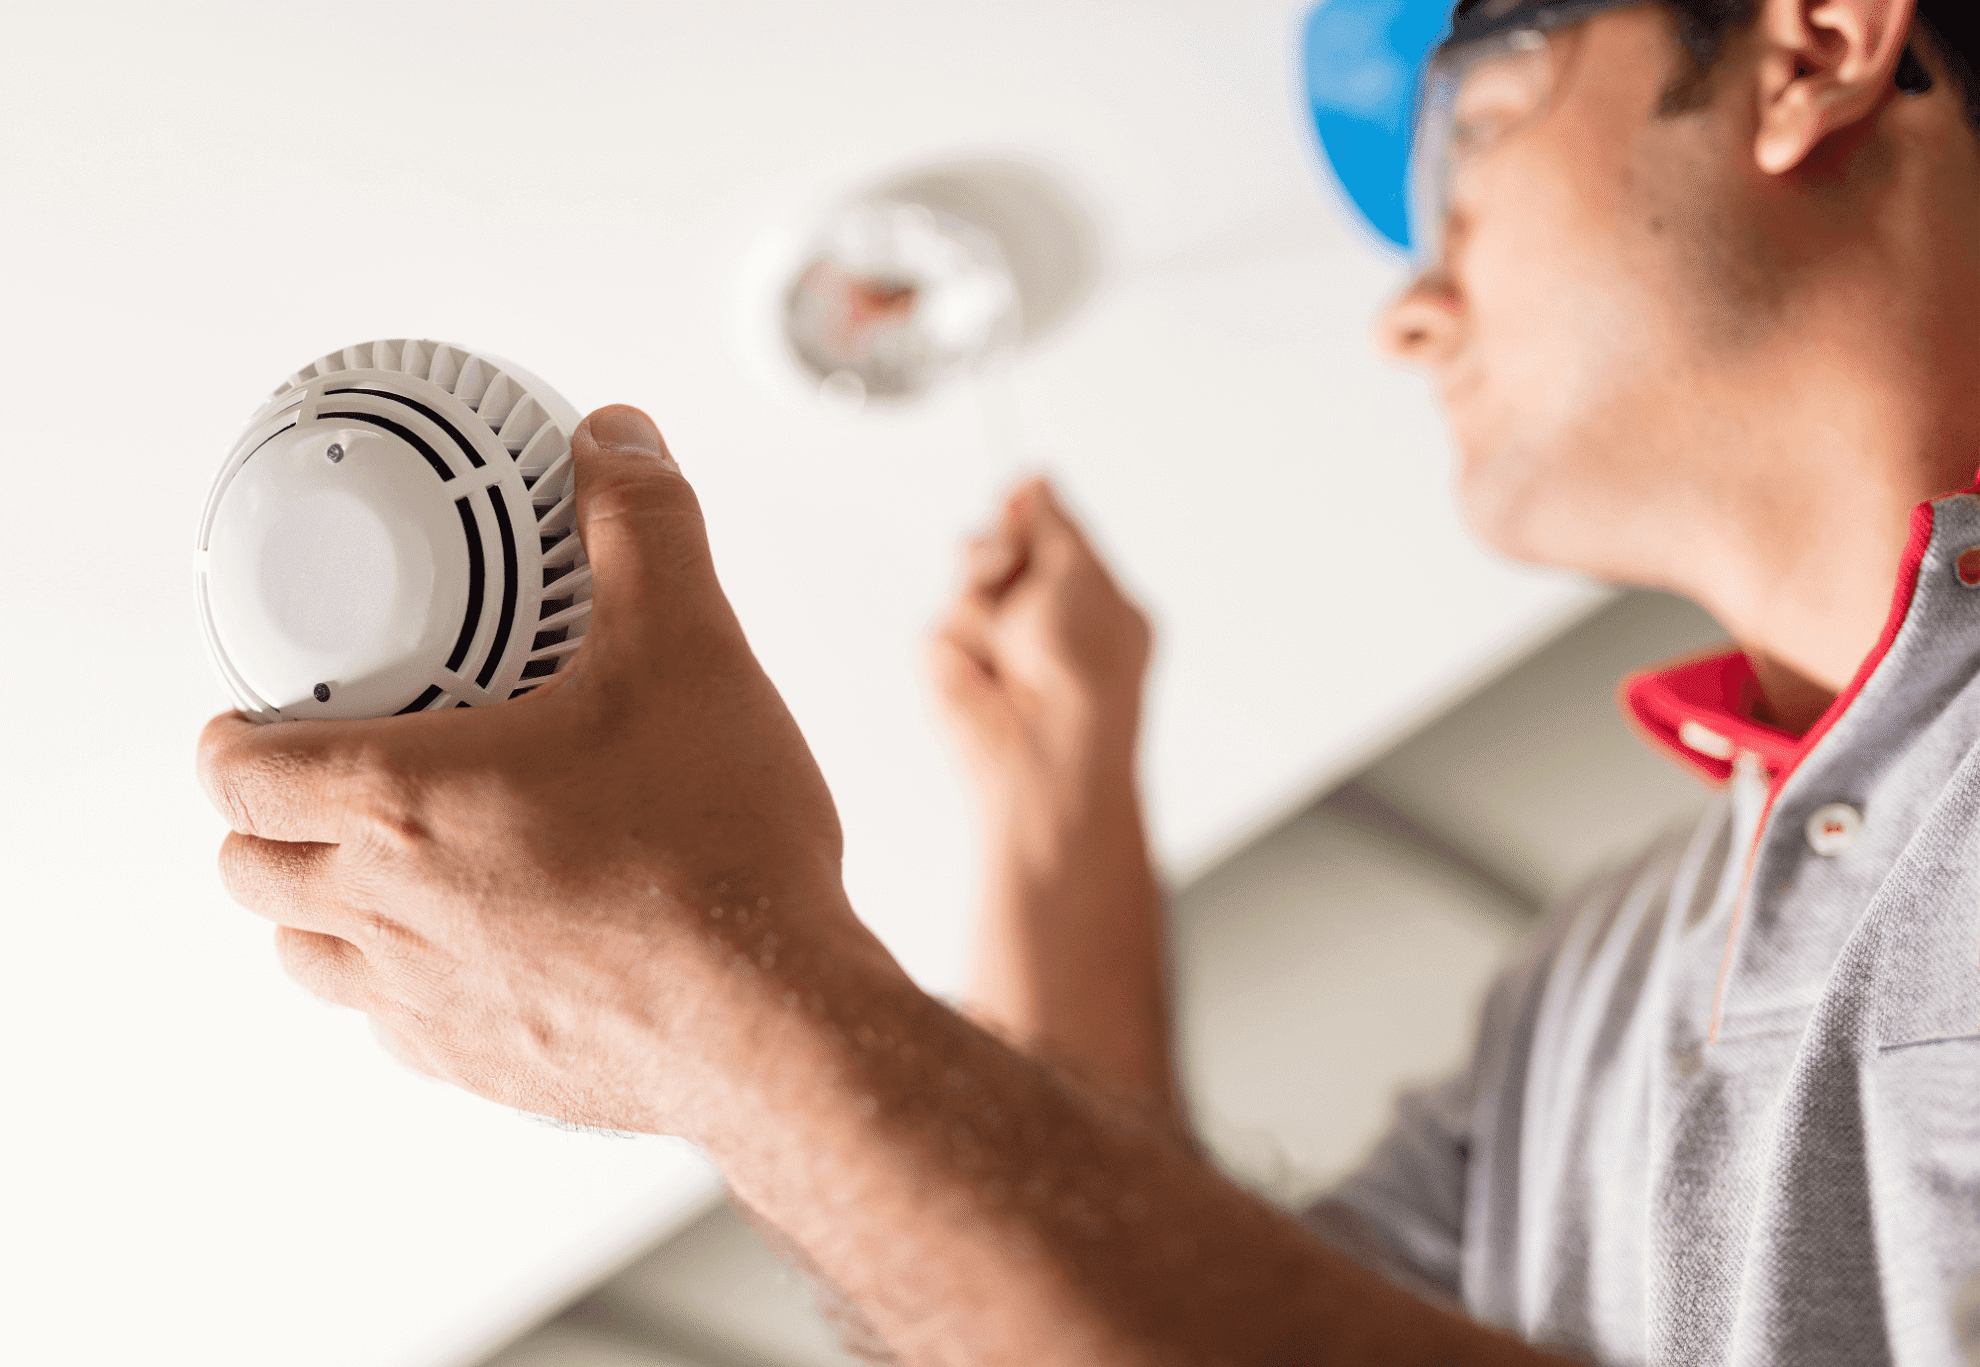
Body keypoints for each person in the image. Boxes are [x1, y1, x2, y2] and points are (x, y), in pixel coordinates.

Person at [197, 0, 1980, 1360]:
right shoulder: (1599, 984)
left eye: (1474, 136)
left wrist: (717, 1001)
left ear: (1814, 46)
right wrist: (1058, 828)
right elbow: (1148, 1304)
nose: (1408, 305)